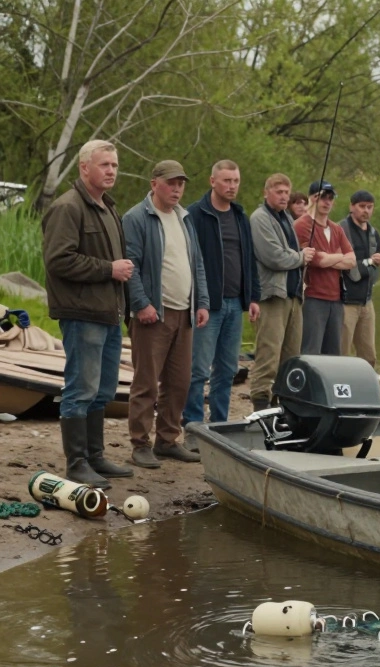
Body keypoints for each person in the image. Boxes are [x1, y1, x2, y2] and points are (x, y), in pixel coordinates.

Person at [41, 139, 135, 488]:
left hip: (108, 314)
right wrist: (108, 269)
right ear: (85, 168)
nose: (111, 170)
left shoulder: (108, 207)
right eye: (104, 165)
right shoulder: (68, 207)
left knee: (103, 389)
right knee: (79, 389)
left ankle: (95, 456)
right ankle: (76, 463)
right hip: (81, 314)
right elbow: (58, 260)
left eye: (114, 164)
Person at [120, 160, 211, 468]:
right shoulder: (137, 217)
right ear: (154, 183)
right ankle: (140, 443)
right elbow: (130, 265)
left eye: (181, 183)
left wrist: (201, 301)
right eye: (171, 183)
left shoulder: (185, 218)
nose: (176, 189)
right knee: (146, 382)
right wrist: (141, 304)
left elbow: (196, 263)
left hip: (184, 313)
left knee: (180, 381)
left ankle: (168, 440)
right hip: (152, 314)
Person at [183, 159, 261, 451]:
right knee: (198, 369)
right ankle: (192, 427)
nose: (232, 186)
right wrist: (198, 300)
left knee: (227, 369)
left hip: (235, 303)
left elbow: (249, 259)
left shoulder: (241, 216)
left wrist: (252, 297)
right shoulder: (195, 214)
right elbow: (189, 261)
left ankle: (218, 427)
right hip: (208, 305)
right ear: (212, 181)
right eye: (226, 181)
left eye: (236, 181)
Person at [248, 173, 314, 411]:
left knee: (291, 357)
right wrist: (301, 257)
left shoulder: (286, 217)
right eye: (279, 192)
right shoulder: (260, 218)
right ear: (266, 193)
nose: (284, 196)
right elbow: (273, 257)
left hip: (293, 297)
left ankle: (283, 406)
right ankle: (260, 407)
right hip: (272, 297)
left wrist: (297, 258)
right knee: (268, 355)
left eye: (287, 192)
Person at [294, 180, 355, 355]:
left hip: (336, 299)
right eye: (322, 197)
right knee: (311, 350)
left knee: (333, 352)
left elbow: (351, 260)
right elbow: (317, 260)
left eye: (330, 197)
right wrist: (338, 256)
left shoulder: (336, 229)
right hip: (312, 297)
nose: (327, 202)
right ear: (312, 199)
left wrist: (331, 257)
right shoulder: (301, 225)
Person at [339, 190, 380, 367]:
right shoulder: (341, 229)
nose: (366, 210)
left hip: (367, 301)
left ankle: (364, 387)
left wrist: (378, 261)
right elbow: (342, 263)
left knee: (369, 355)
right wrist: (369, 262)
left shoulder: (374, 233)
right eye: (362, 206)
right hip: (345, 301)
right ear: (352, 206)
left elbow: (375, 263)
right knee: (341, 351)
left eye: (370, 207)